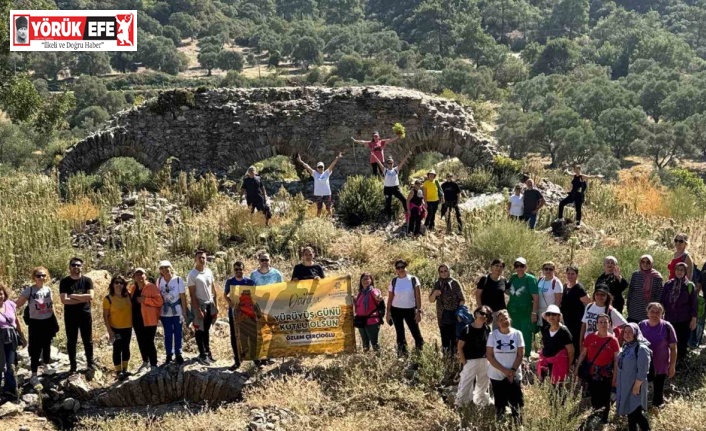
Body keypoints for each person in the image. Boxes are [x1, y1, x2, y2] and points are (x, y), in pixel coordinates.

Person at [15, 267, 58, 386]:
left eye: (43, 275)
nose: (41, 278)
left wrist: (54, 319)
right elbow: (18, 304)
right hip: (35, 323)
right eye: (38, 276)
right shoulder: (29, 291)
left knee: (47, 345)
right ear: (34, 277)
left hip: (48, 321)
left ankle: (46, 366)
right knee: (35, 348)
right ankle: (34, 374)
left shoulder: (48, 289)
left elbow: (51, 305)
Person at [574, 314, 620, 424]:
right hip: (592, 373)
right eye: (601, 322)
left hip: (606, 374)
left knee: (605, 396)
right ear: (597, 324)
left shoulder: (613, 340)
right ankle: (595, 416)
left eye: (605, 322)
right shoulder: (590, 337)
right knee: (594, 395)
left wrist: (615, 377)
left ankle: (604, 419)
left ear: (609, 324)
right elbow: (583, 353)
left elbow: (616, 360)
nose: (603, 324)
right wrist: (576, 368)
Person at [486, 310, 525, 424]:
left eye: (506, 319)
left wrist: (512, 371)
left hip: (514, 374)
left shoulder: (517, 334)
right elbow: (489, 355)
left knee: (516, 403)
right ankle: (500, 425)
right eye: (501, 320)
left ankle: (517, 425)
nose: (504, 322)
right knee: (500, 403)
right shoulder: (493, 335)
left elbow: (520, 354)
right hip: (497, 375)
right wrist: (505, 371)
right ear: (497, 323)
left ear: (510, 319)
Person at [59, 257, 95, 373]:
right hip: (70, 315)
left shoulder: (87, 280)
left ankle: (90, 363)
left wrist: (73, 296)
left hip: (85, 314)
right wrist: (82, 298)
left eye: (78, 265)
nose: (76, 267)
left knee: (87, 340)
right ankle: (73, 366)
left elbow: (90, 297)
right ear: (70, 267)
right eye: (73, 265)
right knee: (71, 340)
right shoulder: (65, 282)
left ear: (82, 267)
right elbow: (64, 300)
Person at [638, 302, 676, 408]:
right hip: (644, 363)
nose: (654, 314)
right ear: (647, 313)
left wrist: (672, 366)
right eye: (652, 312)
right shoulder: (641, 325)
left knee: (658, 387)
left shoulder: (667, 327)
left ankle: (657, 407)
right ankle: (640, 407)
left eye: (657, 312)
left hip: (661, 364)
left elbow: (673, 348)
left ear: (662, 314)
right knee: (641, 386)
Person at [660, 261, 697, 368]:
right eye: (677, 269)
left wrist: (693, 319)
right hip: (670, 318)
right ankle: (669, 363)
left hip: (684, 319)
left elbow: (694, 304)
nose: (679, 272)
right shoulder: (668, 284)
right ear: (674, 270)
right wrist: (661, 314)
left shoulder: (689, 286)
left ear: (685, 272)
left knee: (681, 341)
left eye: (682, 270)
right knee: (669, 340)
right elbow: (662, 301)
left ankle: (679, 365)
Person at [616, 323, 652, 431]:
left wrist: (636, 387)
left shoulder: (641, 349)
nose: (627, 334)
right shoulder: (626, 346)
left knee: (637, 414)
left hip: (636, 387)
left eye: (630, 332)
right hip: (626, 386)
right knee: (630, 413)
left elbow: (643, 370)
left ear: (636, 333)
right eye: (625, 332)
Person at [455, 305, 492, 407]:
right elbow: (460, 347)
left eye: (486, 315)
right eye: (482, 313)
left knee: (483, 383)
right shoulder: (466, 329)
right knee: (465, 383)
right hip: (470, 361)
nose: (484, 316)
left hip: (484, 360)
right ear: (476, 313)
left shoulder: (487, 329)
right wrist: (464, 362)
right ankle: (461, 404)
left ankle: (482, 403)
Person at [385, 260, 424, 355]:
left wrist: (418, 312)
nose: (401, 269)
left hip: (410, 310)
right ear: (396, 270)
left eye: (402, 267)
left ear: (406, 267)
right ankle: (403, 355)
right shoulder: (394, 281)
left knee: (416, 333)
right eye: (398, 268)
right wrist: (388, 313)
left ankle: (420, 354)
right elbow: (390, 298)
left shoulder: (413, 279)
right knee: (400, 334)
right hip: (396, 310)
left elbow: (418, 297)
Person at [188, 250, 219, 365]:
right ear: (195, 259)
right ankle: (202, 354)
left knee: (206, 330)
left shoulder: (209, 271)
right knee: (199, 330)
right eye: (199, 257)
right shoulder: (192, 275)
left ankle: (208, 352)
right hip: (199, 304)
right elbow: (192, 294)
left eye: (204, 258)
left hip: (209, 303)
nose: (202, 259)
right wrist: (198, 310)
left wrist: (216, 304)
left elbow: (213, 289)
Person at [129, 268, 162, 373]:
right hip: (137, 319)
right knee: (141, 341)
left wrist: (145, 300)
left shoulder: (151, 287)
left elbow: (159, 301)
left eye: (141, 274)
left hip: (149, 319)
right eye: (137, 274)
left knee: (149, 341)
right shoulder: (133, 288)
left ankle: (153, 363)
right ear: (134, 277)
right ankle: (145, 361)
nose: (139, 276)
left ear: (145, 275)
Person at [224, 261, 255, 370]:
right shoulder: (230, 282)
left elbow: (254, 296)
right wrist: (231, 304)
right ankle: (237, 361)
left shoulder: (249, 282)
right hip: (234, 314)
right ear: (234, 270)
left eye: (240, 269)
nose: (238, 271)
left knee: (250, 335)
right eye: (236, 269)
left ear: (243, 269)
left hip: (248, 314)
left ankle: (255, 359)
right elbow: (225, 295)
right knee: (235, 337)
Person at [506, 257, 539, 358]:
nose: (519, 268)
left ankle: (526, 355)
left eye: (521, 266)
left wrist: (534, 313)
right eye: (517, 266)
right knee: (513, 333)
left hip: (526, 312)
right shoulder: (513, 277)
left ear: (525, 267)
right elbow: (507, 291)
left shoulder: (530, 279)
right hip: (513, 311)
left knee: (526, 334)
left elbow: (536, 297)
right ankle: (514, 355)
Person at [429, 264, 465, 354]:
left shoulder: (455, 283)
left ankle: (456, 358)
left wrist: (458, 311)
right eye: (441, 271)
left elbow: (462, 299)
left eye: (445, 271)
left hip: (454, 314)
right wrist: (434, 294)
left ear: (449, 271)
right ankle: (446, 358)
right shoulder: (438, 283)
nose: (444, 273)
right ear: (439, 273)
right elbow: (431, 300)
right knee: (445, 338)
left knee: (455, 338)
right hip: (443, 314)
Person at [102, 275, 133, 379]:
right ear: (112, 284)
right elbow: (105, 316)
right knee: (117, 349)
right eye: (116, 282)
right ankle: (118, 371)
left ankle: (125, 369)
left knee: (126, 348)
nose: (119, 285)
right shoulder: (108, 299)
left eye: (121, 283)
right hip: (116, 328)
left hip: (128, 327)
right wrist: (110, 331)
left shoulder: (128, 295)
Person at [157, 261, 187, 365]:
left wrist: (185, 312)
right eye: (162, 268)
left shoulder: (178, 280)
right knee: (168, 333)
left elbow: (183, 296)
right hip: (165, 312)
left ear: (171, 268)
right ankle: (169, 354)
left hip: (177, 310)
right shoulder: (159, 281)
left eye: (166, 267)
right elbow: (158, 297)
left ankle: (178, 353)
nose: (164, 270)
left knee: (178, 332)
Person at [0, 283, 26, 399]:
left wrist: (23, 337)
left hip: (11, 335)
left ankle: (9, 389)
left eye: (0, 294)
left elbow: (16, 321)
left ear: (4, 294)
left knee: (11, 363)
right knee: (0, 364)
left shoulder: (10, 304)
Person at [296, 152, 342, 217]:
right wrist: (301, 161)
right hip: (318, 194)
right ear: (317, 168)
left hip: (326, 193)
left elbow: (332, 165)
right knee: (319, 209)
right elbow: (307, 167)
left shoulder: (326, 173)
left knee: (328, 208)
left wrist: (337, 158)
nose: (320, 168)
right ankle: (318, 221)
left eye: (321, 167)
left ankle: (329, 218)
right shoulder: (315, 173)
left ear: (323, 167)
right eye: (319, 167)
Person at [537, 304, 574, 383]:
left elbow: (571, 351)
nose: (551, 316)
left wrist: (566, 367)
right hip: (546, 365)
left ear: (558, 317)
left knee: (557, 389)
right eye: (548, 314)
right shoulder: (546, 330)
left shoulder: (564, 331)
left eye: (554, 314)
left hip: (559, 367)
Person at [560, 265, 590, 360]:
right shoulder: (564, 287)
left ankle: (577, 363)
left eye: (572, 274)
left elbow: (589, 303)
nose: (570, 276)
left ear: (577, 275)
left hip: (577, 321)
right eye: (568, 273)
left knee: (577, 342)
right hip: (567, 320)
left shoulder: (579, 288)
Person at [376, 152, 413, 222]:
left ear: (393, 164)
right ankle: (389, 218)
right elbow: (378, 162)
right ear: (387, 164)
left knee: (404, 200)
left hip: (395, 188)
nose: (390, 164)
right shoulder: (385, 170)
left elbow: (402, 162)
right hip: (387, 189)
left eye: (392, 163)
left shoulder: (396, 169)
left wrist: (408, 155)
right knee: (388, 203)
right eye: (389, 163)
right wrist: (373, 155)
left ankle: (407, 214)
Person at [627, 255, 663, 323]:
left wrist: (655, 309)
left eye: (648, 262)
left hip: (649, 310)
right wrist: (628, 306)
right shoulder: (635, 275)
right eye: (643, 262)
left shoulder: (657, 277)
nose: (645, 264)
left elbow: (659, 295)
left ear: (651, 263)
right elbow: (630, 292)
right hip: (634, 309)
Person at [354, 273, 383, 352]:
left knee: (374, 343)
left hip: (372, 321)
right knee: (365, 343)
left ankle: (378, 361)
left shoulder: (373, 291)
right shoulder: (361, 293)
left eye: (368, 279)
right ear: (361, 281)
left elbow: (377, 295)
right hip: (361, 321)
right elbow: (357, 306)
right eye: (364, 279)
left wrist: (378, 297)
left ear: (371, 281)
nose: (366, 281)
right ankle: (367, 360)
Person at [475, 259, 508, 323]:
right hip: (487, 312)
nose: (498, 268)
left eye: (501, 266)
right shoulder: (484, 279)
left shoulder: (503, 280)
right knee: (487, 331)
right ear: (492, 267)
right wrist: (481, 309)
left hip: (500, 313)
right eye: (497, 265)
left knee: (499, 332)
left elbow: (509, 292)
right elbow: (478, 295)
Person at [537, 261, 563, 328]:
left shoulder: (556, 282)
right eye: (546, 269)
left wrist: (554, 315)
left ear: (554, 270)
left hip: (550, 314)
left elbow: (558, 300)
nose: (548, 271)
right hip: (540, 312)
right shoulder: (540, 280)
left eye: (550, 269)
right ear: (543, 270)